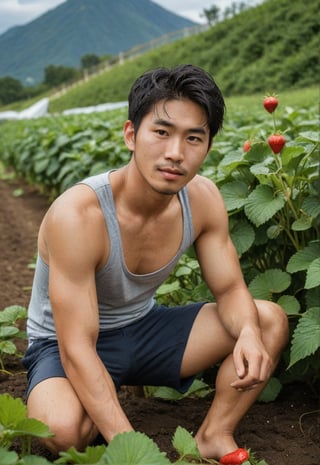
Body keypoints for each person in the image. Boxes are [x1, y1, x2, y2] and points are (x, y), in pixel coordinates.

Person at [23, 64, 288, 461]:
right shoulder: (78, 215)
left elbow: (231, 289)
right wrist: (135, 451)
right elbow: (77, 346)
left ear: (208, 146)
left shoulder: (203, 199)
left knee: (267, 320)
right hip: (65, 344)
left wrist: (248, 331)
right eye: (161, 132)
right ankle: (93, 403)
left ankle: (214, 434)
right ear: (131, 135)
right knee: (61, 431)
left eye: (193, 138)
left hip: (144, 329)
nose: (175, 153)